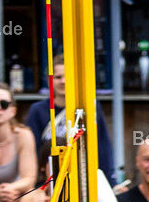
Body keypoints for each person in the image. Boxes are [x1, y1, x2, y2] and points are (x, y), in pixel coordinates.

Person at [26, 53, 116, 185]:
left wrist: (111, 182)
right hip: (48, 179)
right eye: (57, 77)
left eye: (67, 76)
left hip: (83, 179)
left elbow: (101, 146)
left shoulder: (89, 107)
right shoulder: (37, 110)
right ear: (49, 79)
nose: (63, 81)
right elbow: (32, 151)